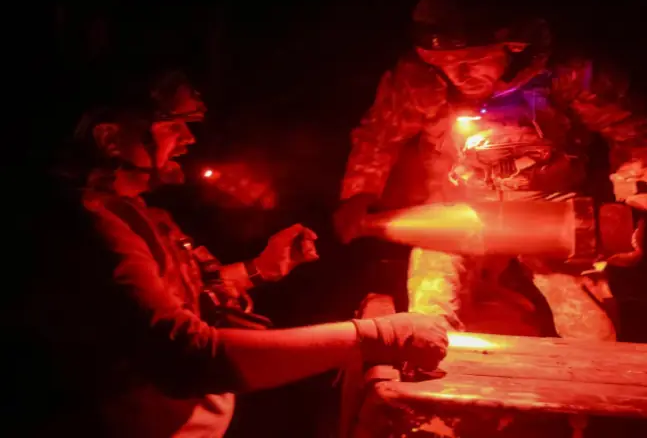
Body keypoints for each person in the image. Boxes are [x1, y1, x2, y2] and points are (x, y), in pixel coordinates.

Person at [22, 69, 448, 437]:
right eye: (173, 126)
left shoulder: (129, 208)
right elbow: (186, 357)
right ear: (110, 138)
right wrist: (376, 336)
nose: (188, 138)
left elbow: (165, 300)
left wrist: (257, 270)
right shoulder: (92, 224)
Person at [334, 0, 647, 341]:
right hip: (452, 215)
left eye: (473, 60)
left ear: (514, 46)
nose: (457, 75)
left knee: (591, 327)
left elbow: (634, 129)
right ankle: (436, 384)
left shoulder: (568, 75)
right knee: (430, 308)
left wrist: (633, 204)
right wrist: (358, 195)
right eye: (442, 63)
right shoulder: (419, 82)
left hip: (556, 216)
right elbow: (379, 135)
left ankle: (597, 386)